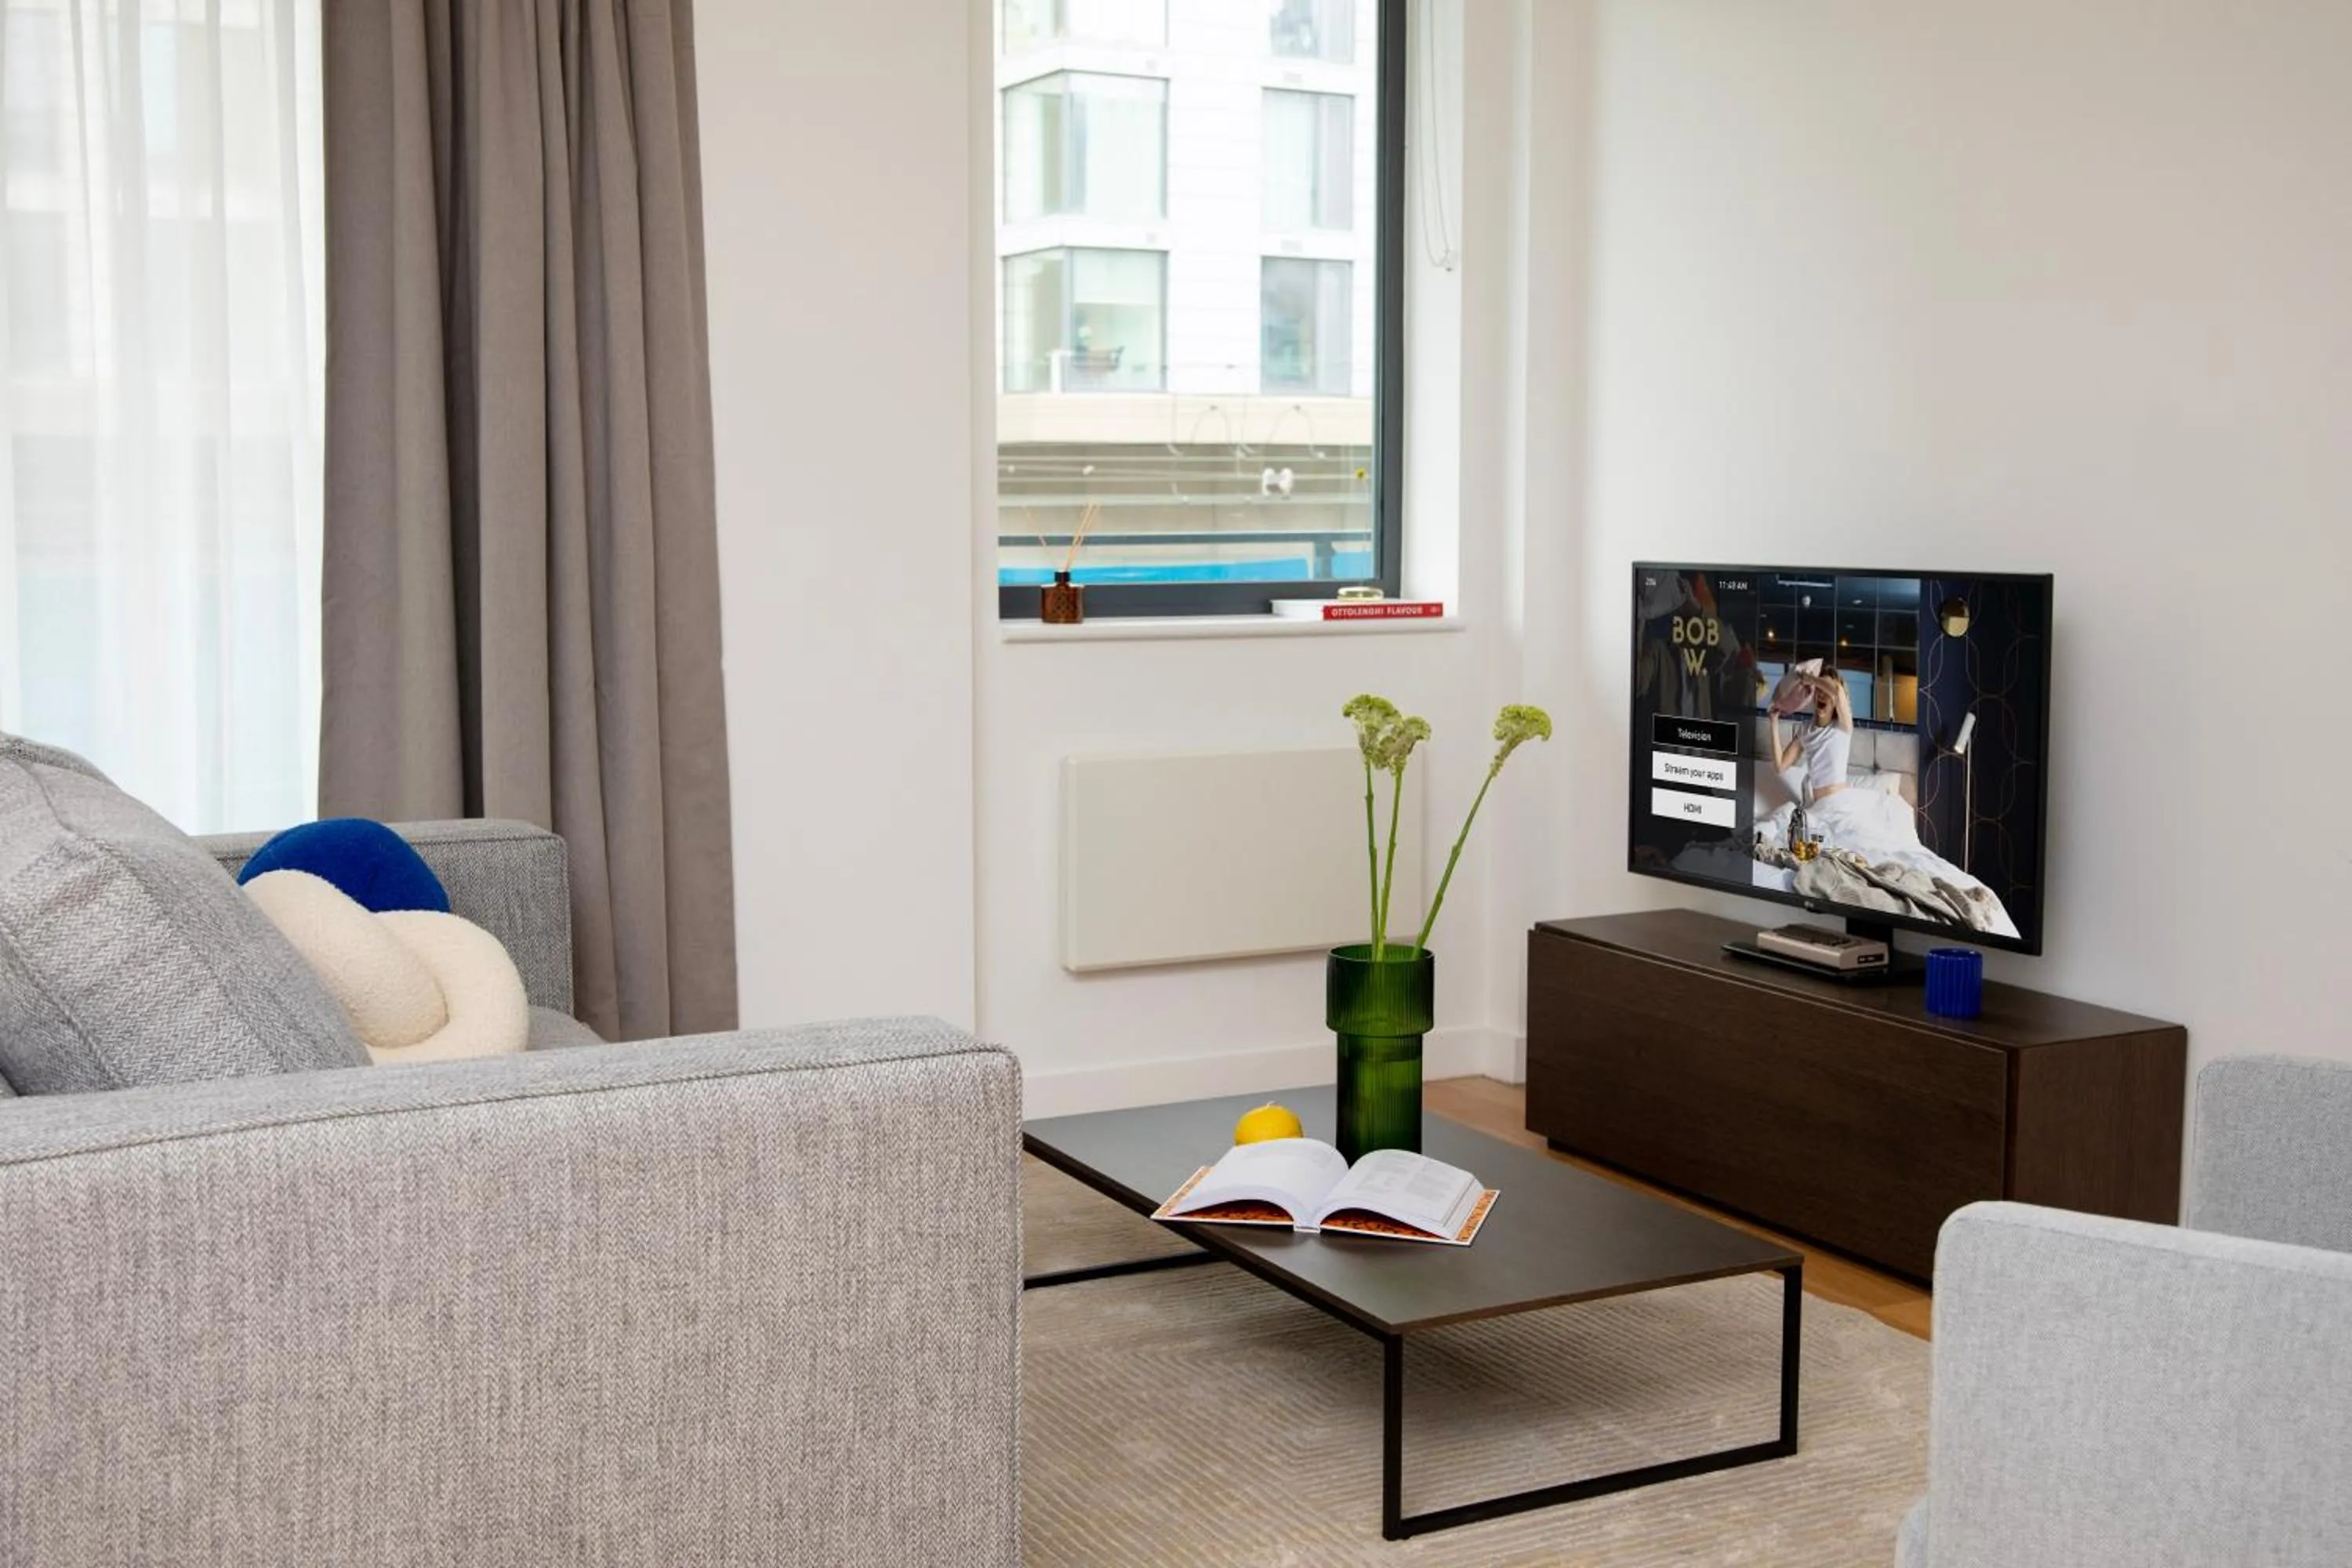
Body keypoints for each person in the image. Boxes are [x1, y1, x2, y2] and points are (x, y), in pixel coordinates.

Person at [1771, 670, 1853, 803]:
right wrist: (1774, 722)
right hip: (1818, 805)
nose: (1822, 695)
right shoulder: (1806, 730)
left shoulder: (1843, 726)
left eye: (1827, 691)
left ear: (1835, 701)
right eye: (1819, 690)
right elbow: (1780, 766)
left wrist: (1811, 679)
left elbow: (1838, 691)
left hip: (1838, 803)